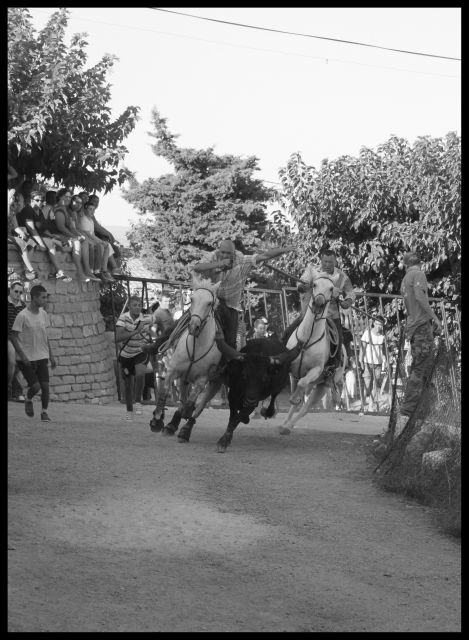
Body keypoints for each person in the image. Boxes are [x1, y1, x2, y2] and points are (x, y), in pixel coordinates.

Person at [193, 238, 296, 353]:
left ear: (234, 253)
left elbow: (265, 255)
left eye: (228, 253)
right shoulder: (213, 256)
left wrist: (285, 250)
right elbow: (197, 267)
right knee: (190, 319)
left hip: (231, 306)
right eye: (222, 252)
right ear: (219, 250)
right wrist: (218, 264)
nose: (225, 255)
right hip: (211, 302)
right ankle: (171, 339)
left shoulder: (242, 260)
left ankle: (225, 364)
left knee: (231, 342)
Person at [286, 248, 355, 375]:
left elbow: (350, 292)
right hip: (308, 313)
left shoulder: (342, 276)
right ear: (321, 260)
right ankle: (282, 360)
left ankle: (333, 367)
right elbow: (301, 284)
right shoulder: (312, 270)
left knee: (339, 338)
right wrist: (303, 286)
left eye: (330, 262)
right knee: (287, 332)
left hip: (331, 315)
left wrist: (348, 301)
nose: (327, 265)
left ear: (335, 261)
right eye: (325, 262)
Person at [399, 251, 442, 420]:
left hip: (414, 327)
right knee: (420, 370)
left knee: (424, 370)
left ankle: (424, 412)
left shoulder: (405, 279)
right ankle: (408, 411)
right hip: (422, 327)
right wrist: (435, 319)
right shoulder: (418, 274)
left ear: (406, 264)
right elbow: (420, 297)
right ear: (420, 263)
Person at [9, 284, 56, 421]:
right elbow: (13, 335)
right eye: (43, 297)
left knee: (45, 386)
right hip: (27, 357)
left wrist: (51, 355)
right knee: (35, 387)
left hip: (42, 355)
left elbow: (45, 335)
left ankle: (44, 412)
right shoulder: (22, 316)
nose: (45, 300)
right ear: (34, 298)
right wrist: (22, 355)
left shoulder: (44, 314)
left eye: (46, 297)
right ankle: (28, 399)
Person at [15, 190, 73, 283]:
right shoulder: (28, 210)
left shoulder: (39, 210)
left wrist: (52, 236)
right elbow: (32, 229)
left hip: (41, 234)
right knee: (50, 244)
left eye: (42, 200)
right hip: (30, 235)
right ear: (31, 200)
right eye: (37, 200)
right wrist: (41, 243)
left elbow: (43, 227)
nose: (40, 202)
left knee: (59, 244)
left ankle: (53, 272)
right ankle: (59, 271)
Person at [115, 296, 153, 421]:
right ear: (129, 307)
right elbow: (118, 337)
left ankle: (138, 402)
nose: (138, 307)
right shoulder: (123, 318)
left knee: (140, 373)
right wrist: (136, 331)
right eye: (135, 305)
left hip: (141, 352)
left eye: (139, 305)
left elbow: (163, 319)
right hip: (126, 354)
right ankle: (129, 411)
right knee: (128, 383)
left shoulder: (147, 318)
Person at [53, 188, 96, 282]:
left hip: (65, 235)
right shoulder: (59, 209)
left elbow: (72, 227)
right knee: (77, 242)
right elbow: (61, 227)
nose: (68, 199)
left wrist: (79, 235)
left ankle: (88, 270)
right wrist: (74, 236)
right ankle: (80, 273)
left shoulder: (67, 210)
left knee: (84, 242)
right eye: (66, 196)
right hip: (57, 235)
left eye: (69, 197)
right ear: (60, 196)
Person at [76, 200, 114, 282]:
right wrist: (100, 242)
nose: (92, 211)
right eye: (90, 209)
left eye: (93, 209)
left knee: (106, 245)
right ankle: (95, 271)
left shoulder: (91, 220)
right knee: (99, 246)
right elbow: (87, 234)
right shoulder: (84, 219)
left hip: (90, 238)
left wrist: (101, 241)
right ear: (85, 209)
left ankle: (103, 270)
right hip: (86, 238)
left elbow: (92, 234)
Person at [359, 314, 387, 412]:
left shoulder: (383, 336)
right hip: (368, 363)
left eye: (381, 325)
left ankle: (371, 406)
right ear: (374, 324)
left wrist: (385, 360)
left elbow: (383, 350)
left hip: (378, 364)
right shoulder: (367, 333)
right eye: (378, 324)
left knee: (375, 385)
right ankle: (362, 404)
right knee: (367, 386)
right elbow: (362, 348)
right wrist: (360, 360)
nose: (379, 327)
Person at [8, 281, 26, 401]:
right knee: (12, 358)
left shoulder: (23, 306)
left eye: (20, 292)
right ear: (10, 290)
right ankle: (9, 388)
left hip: (18, 338)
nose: (18, 294)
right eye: (16, 291)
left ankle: (18, 391)